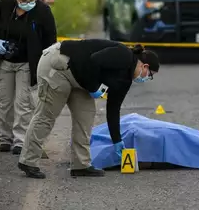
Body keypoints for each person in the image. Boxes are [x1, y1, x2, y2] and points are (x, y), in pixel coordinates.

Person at [18, 40, 160, 179]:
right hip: (59, 64)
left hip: (81, 77)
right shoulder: (124, 55)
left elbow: (113, 109)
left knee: (86, 115)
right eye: (150, 75)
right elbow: (94, 60)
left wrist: (117, 140)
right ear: (144, 66)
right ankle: (28, 161)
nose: (147, 78)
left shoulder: (125, 81)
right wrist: (94, 88)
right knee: (47, 115)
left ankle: (81, 165)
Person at [0, 0, 57, 154]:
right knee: (4, 102)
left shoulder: (42, 11)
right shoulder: (5, 4)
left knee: (23, 103)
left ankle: (20, 140)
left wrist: (46, 65)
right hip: (5, 61)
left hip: (28, 63)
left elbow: (51, 40)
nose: (28, 3)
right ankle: (4, 138)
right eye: (24, 0)